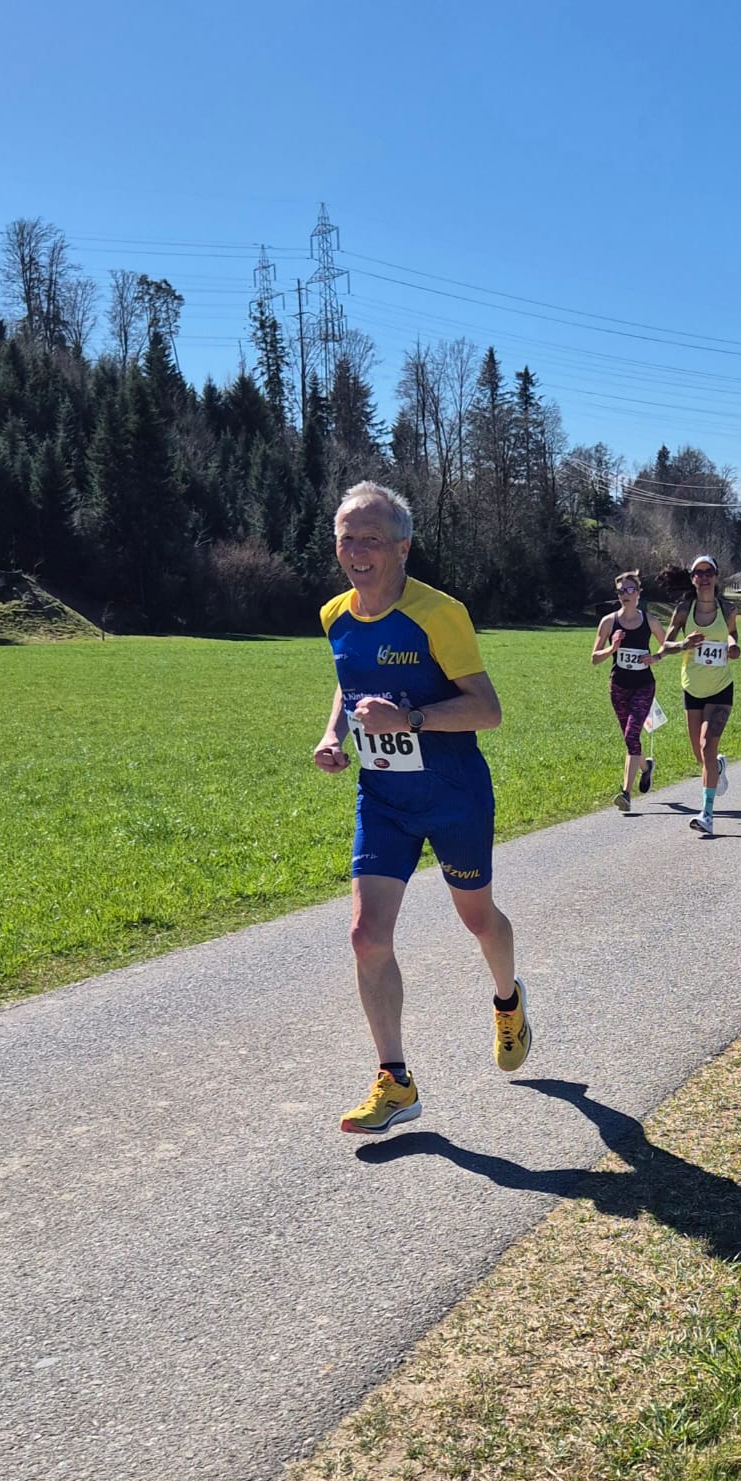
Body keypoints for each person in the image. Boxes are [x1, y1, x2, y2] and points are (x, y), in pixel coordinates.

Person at [314, 482, 531, 1136]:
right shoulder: (334, 615)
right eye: (346, 539)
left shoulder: (440, 614)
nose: (357, 552)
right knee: (365, 934)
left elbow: (487, 710)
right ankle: (395, 1081)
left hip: (453, 795)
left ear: (402, 547)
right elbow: (348, 684)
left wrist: (408, 718)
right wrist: (335, 734)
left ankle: (508, 1001)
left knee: (477, 919)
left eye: (371, 539)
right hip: (384, 800)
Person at [658, 554, 741, 837]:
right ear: (692, 578)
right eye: (699, 573)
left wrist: (733, 646)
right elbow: (665, 646)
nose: (704, 578)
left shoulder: (727, 608)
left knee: (707, 746)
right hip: (692, 688)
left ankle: (707, 813)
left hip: (720, 687)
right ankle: (717, 766)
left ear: (716, 577)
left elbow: (733, 635)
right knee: (700, 753)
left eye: (709, 573)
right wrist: (684, 643)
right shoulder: (684, 609)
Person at [590, 570, 666, 813]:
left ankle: (626, 794)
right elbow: (594, 658)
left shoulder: (650, 621)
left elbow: (667, 646)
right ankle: (646, 768)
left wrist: (656, 657)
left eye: (630, 589)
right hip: (619, 687)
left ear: (639, 593)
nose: (625, 594)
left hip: (644, 685)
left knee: (632, 736)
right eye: (621, 590)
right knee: (629, 738)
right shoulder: (608, 622)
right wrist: (612, 648)